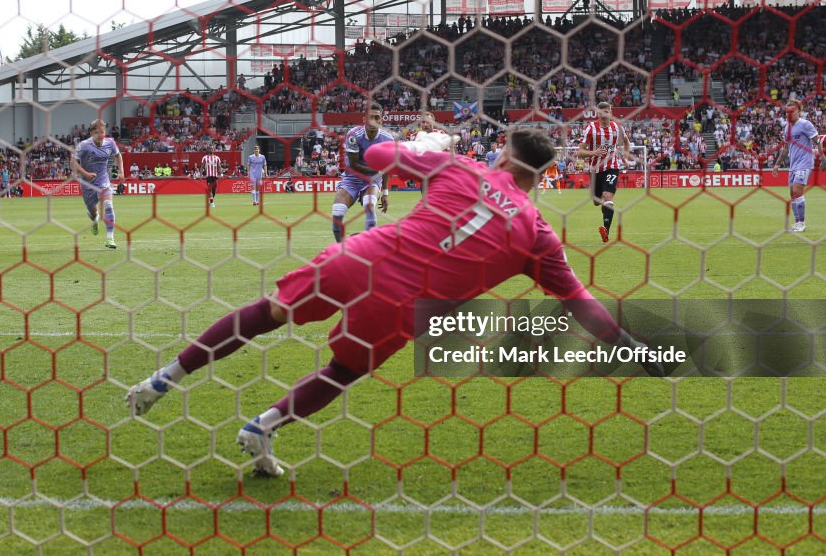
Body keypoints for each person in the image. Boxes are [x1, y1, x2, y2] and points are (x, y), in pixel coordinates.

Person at [125, 128, 665, 477]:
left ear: (502, 152)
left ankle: (162, 378)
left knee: (267, 314)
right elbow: (580, 303)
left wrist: (422, 147)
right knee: (342, 370)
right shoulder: (537, 233)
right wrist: (631, 346)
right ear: (541, 175)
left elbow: (374, 155)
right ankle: (262, 426)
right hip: (403, 305)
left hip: (360, 256)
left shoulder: (459, 167)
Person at [331, 102, 394, 242]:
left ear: (381, 119)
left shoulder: (388, 139)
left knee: (370, 205)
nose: (373, 121)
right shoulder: (354, 135)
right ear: (364, 119)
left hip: (373, 180)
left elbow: (388, 168)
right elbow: (354, 165)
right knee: (337, 214)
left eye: (376, 117)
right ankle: (343, 249)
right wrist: (379, 170)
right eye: (370, 117)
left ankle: (368, 249)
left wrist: (385, 193)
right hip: (351, 179)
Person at [577, 101, 631, 243]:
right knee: (597, 201)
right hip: (595, 169)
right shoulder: (590, 129)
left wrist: (625, 157)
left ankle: (606, 230)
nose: (603, 115)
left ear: (610, 112)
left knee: (608, 196)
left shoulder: (617, 128)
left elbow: (626, 142)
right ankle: (605, 210)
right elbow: (580, 153)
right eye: (600, 113)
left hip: (612, 167)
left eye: (606, 112)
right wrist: (593, 152)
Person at [72, 119, 124, 249]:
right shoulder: (83, 145)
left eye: (102, 132)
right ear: (91, 133)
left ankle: (110, 238)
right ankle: (95, 220)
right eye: (96, 132)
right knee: (93, 213)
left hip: (103, 180)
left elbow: (118, 156)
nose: (100, 135)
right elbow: (73, 162)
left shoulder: (110, 143)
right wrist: (85, 173)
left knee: (108, 205)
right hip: (87, 185)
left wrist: (121, 171)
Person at [772, 99, 821, 232]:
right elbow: (786, 149)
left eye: (792, 111)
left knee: (797, 190)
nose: (789, 114)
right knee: (792, 193)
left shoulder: (805, 124)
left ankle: (802, 223)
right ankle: (797, 222)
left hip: (805, 163)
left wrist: (822, 157)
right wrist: (777, 164)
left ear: (799, 111)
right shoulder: (787, 128)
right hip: (793, 165)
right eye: (787, 112)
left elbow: (818, 141)